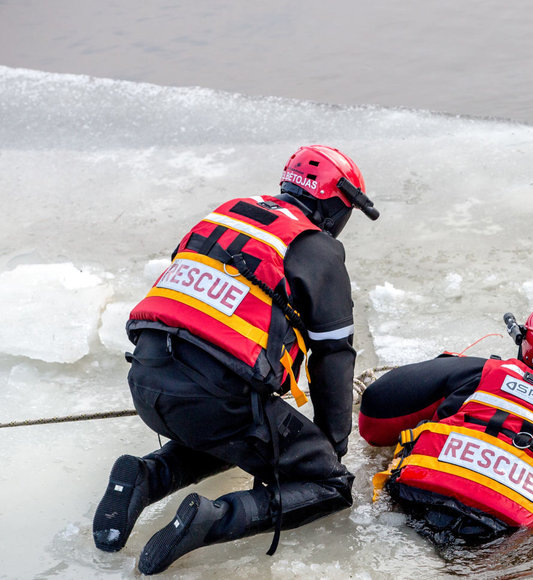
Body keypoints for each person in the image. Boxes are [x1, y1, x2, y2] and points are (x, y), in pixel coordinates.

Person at [92, 145, 380, 574]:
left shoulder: (228, 215)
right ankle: (212, 521)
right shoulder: (316, 248)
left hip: (148, 380)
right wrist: (329, 448)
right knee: (329, 485)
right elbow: (333, 355)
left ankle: (147, 476)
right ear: (336, 205)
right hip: (215, 398)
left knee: (240, 440)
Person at [358, 304, 533, 544]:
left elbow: (375, 413)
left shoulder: (476, 371)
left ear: (524, 341)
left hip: (410, 501)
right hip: (498, 536)